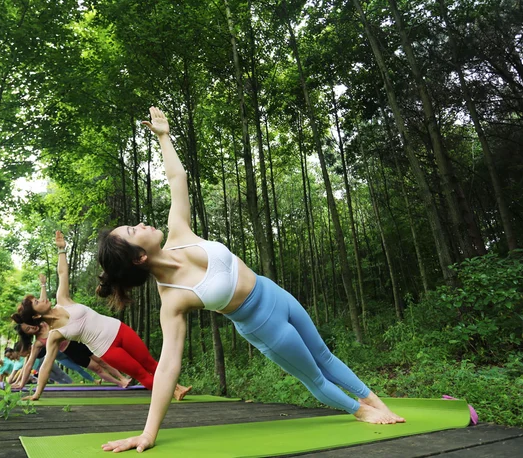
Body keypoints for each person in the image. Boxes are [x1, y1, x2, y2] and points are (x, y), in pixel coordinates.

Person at [96, 107, 405, 453]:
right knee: (313, 376)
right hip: (263, 326)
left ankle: (376, 402)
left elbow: (176, 179)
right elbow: (168, 367)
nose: (140, 224)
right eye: (133, 231)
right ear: (139, 257)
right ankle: (359, 411)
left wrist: (165, 137)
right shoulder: (173, 299)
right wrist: (148, 434)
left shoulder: (179, 231)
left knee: (325, 356)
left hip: (275, 293)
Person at [11, 231, 191, 401]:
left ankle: (178, 387)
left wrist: (61, 249)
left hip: (119, 330)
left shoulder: (63, 299)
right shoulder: (55, 335)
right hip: (107, 349)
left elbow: (62, 273)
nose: (42, 299)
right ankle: (171, 394)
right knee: (140, 372)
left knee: (149, 362)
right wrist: (36, 394)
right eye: (36, 302)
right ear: (36, 317)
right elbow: (45, 366)